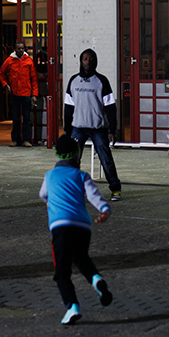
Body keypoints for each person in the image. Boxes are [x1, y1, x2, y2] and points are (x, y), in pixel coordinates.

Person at [39, 135, 113, 325]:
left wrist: (50, 201)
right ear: (77, 154)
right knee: (81, 257)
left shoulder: (50, 176)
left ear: (56, 155)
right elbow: (93, 195)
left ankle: (72, 306)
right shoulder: (82, 176)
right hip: (82, 226)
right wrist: (104, 210)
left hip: (60, 227)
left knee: (62, 271)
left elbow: (43, 195)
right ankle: (97, 280)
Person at [64, 48, 122, 201]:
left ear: (95, 61)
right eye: (85, 59)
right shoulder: (73, 81)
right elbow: (68, 108)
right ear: (81, 61)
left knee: (106, 159)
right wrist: (67, 131)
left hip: (98, 128)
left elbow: (110, 107)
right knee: (73, 161)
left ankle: (115, 189)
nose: (88, 62)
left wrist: (112, 129)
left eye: (91, 59)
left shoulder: (102, 81)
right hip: (78, 128)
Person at [0, 41, 39, 147]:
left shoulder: (29, 61)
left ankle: (26, 140)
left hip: (26, 93)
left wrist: (34, 95)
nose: (20, 50)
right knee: (16, 118)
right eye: (18, 48)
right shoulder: (9, 61)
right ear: (15, 49)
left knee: (26, 118)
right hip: (14, 93)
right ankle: (15, 139)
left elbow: (34, 79)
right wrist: (5, 85)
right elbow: (1, 73)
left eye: (22, 48)